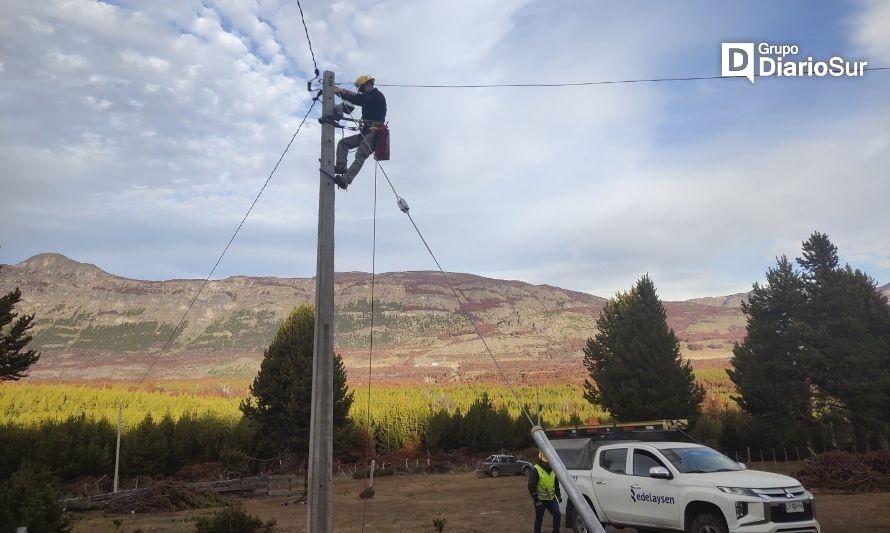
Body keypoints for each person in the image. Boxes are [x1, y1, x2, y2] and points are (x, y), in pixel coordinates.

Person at [333, 74, 387, 190]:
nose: (362, 91)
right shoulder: (368, 97)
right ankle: (341, 166)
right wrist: (339, 92)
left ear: (368, 84)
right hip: (366, 132)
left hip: (374, 133)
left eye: (362, 89)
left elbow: (359, 99)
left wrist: (341, 91)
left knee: (360, 155)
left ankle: (345, 180)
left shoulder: (376, 96)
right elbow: (359, 98)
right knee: (343, 143)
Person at [528, 451, 562, 533]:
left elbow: (556, 483)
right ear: (541, 461)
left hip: (551, 499)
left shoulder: (553, 469)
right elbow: (531, 487)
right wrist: (536, 500)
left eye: (549, 463)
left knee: (557, 514)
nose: (548, 465)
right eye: (546, 463)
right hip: (540, 500)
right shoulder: (535, 470)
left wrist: (558, 495)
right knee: (539, 518)